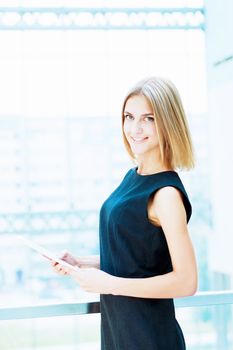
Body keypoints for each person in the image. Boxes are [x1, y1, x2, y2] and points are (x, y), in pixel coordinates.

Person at [52, 77, 198, 350]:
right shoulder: (133, 177)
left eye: (149, 118)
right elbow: (135, 257)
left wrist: (109, 284)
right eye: (129, 116)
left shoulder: (165, 194)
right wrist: (82, 263)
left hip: (149, 338)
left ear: (168, 123)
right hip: (120, 334)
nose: (135, 128)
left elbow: (187, 281)